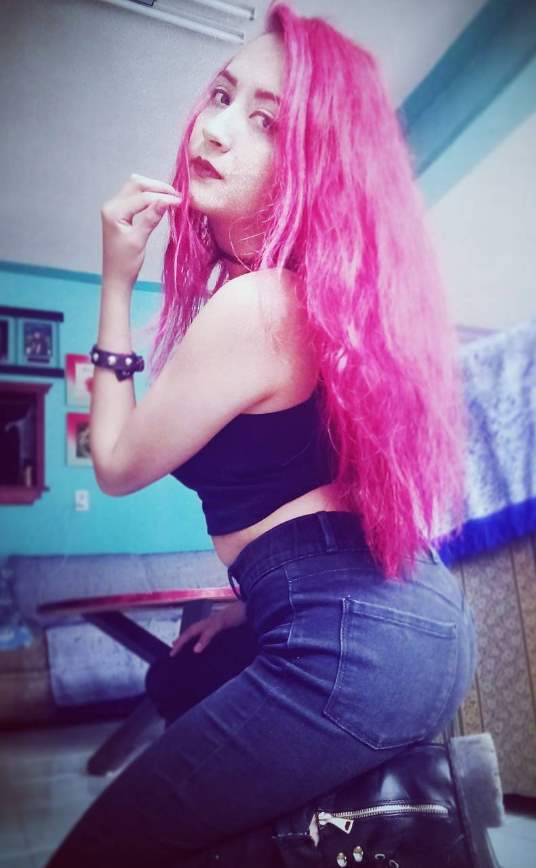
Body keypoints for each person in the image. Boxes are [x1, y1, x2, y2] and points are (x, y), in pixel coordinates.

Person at [46, 2, 477, 865]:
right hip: (401, 617)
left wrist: (115, 281)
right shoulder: (307, 300)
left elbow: (117, 463)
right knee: (183, 678)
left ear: (314, 164)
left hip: (356, 640)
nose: (215, 129)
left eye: (266, 121)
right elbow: (320, 494)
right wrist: (249, 602)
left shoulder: (261, 305)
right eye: (220, 95)